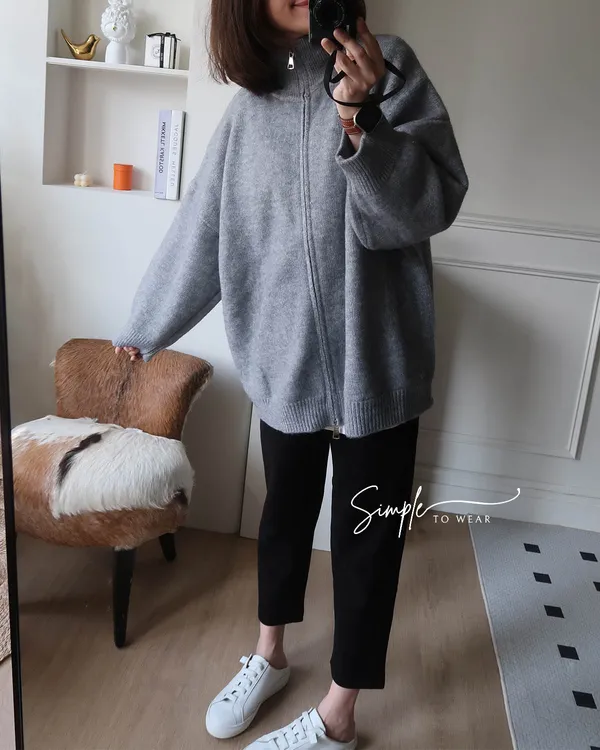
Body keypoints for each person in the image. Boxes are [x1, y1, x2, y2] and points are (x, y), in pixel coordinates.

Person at [114, 0, 468, 746]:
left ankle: (339, 713)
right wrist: (145, 325)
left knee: (368, 543)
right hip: (284, 370)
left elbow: (428, 207)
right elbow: (202, 231)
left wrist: (359, 117)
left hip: (380, 370)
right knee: (282, 520)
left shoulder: (391, 67)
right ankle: (269, 655)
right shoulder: (248, 112)